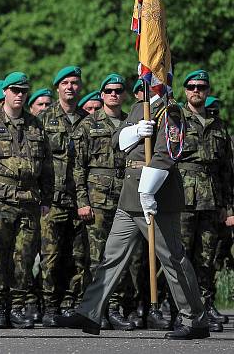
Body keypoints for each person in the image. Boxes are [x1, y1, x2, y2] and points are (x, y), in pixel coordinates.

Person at [57, 88, 210, 340]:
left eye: (149, 79)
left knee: (173, 259)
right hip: (130, 193)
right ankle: (90, 311)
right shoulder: (141, 108)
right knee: (112, 256)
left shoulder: (171, 111)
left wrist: (148, 192)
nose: (144, 83)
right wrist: (136, 130)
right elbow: (117, 140)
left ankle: (195, 319)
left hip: (155, 194)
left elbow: (167, 154)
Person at [0, 71, 53, 329]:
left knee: (24, 257)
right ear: (4, 91)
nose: (19, 94)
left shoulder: (35, 125)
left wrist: (47, 198)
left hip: (28, 201)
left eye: (23, 91)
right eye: (14, 89)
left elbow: (48, 167)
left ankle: (16, 307)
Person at [74, 73, 136, 331]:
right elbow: (77, 167)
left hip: (125, 195)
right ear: (101, 95)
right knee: (98, 257)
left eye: (118, 90)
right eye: (109, 90)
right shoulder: (88, 125)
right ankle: (96, 308)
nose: (113, 94)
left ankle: (115, 308)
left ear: (124, 95)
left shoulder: (131, 124)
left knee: (123, 257)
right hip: (97, 199)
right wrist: (82, 201)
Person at [176, 70, 234, 332]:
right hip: (183, 200)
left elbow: (225, 170)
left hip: (211, 200)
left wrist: (226, 205)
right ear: (185, 91)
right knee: (181, 256)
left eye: (201, 86)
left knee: (206, 258)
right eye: (191, 86)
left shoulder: (218, 125)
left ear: (208, 91)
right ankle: (181, 309)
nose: (196, 90)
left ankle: (204, 307)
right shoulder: (175, 120)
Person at [38, 66, 89, 325]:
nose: (70, 87)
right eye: (65, 83)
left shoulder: (89, 120)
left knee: (78, 256)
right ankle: (49, 306)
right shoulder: (44, 119)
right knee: (51, 255)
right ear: (57, 87)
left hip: (80, 200)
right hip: (52, 199)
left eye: (75, 83)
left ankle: (70, 303)